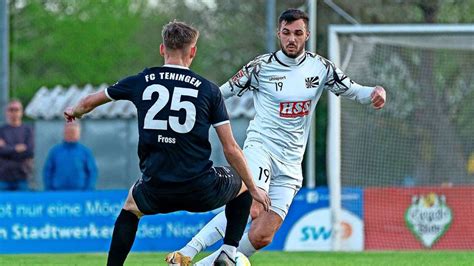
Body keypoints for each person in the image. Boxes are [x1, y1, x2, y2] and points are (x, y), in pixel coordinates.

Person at [174, 8, 387, 265]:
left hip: (291, 162)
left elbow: (353, 89)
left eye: (298, 33)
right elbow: (221, 93)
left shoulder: (320, 68)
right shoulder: (260, 67)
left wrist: (375, 92)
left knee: (263, 235)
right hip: (261, 146)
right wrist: (192, 108)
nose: (291, 39)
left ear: (307, 35)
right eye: (286, 33)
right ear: (279, 33)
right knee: (252, 204)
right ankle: (187, 251)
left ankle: (204, 264)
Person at [63, 20, 270, 266]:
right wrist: (254, 186)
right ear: (192, 51)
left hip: (156, 187)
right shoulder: (208, 90)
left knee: (130, 208)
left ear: (162, 49)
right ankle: (228, 252)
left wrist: (75, 111)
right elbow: (230, 148)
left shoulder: (142, 80)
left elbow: (88, 102)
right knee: (244, 186)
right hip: (200, 188)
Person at [43, 122, 98, 191]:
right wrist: (49, 189)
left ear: (78, 134)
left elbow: (92, 172)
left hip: (80, 193)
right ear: (64, 133)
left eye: (73, 132)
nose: (71, 134)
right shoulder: (55, 152)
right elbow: (47, 171)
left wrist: (88, 190)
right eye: (68, 132)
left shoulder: (85, 152)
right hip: (58, 193)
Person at [0, 99, 34, 191]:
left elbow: (29, 151)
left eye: (17, 109)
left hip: (22, 177)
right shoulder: (2, 131)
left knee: (23, 205)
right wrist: (16, 149)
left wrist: (7, 148)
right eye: (11, 110)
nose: (14, 112)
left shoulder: (28, 130)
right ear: (6, 112)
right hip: (3, 178)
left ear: (21, 112)